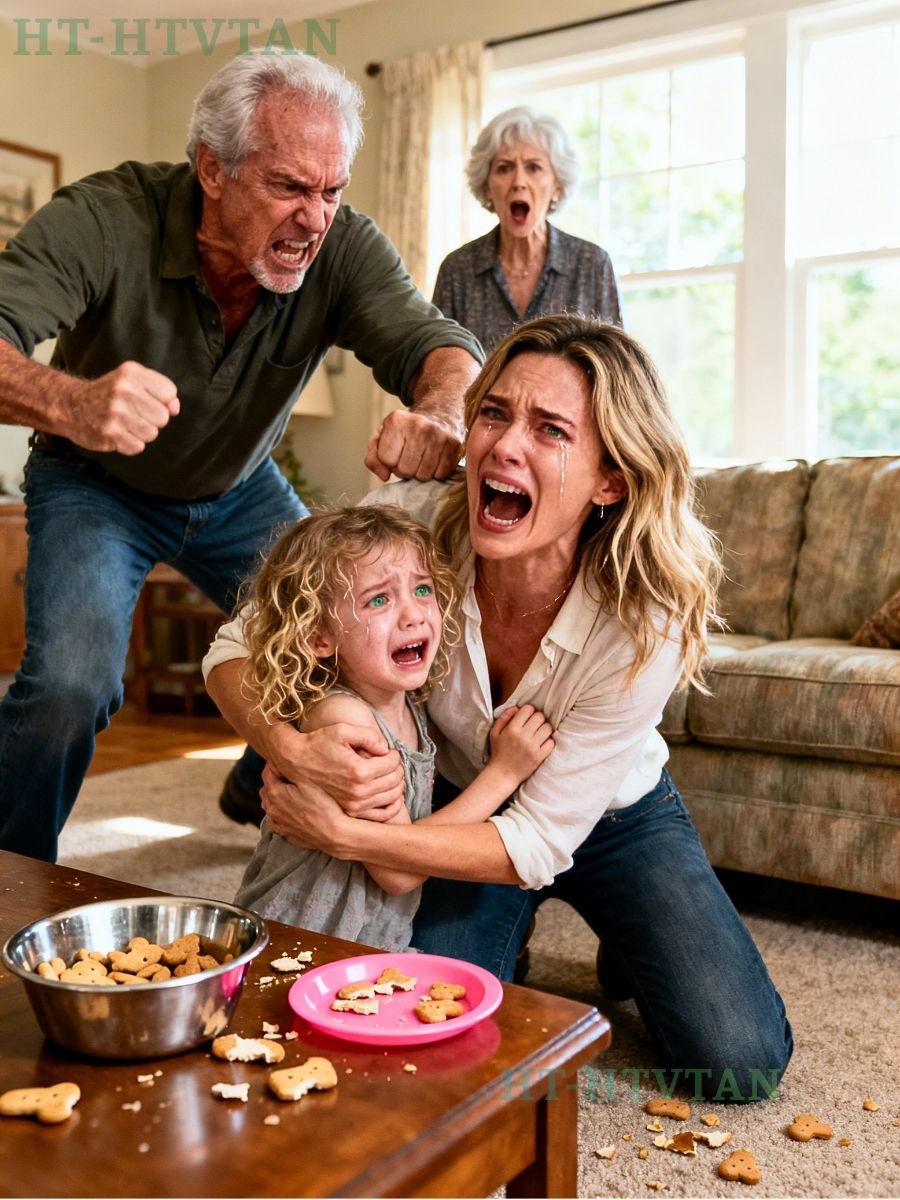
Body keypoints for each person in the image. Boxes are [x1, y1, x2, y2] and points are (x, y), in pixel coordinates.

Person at [205, 314, 793, 1100]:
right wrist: (290, 749)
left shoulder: (644, 618)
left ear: (610, 479)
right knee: (428, 1026)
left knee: (740, 1060)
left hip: (613, 818)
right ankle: (509, 940)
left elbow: (541, 837)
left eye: (549, 429)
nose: (504, 446)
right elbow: (234, 647)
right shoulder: (412, 515)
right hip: (456, 804)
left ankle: (627, 934)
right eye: (494, 413)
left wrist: (346, 833)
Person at [0, 50, 483, 863]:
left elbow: (441, 346)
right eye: (290, 188)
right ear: (211, 169)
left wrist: (439, 413)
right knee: (71, 686)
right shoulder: (107, 215)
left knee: (347, 637)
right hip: (94, 483)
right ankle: (9, 879)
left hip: (239, 487)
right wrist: (73, 403)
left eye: (331, 191)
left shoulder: (342, 248)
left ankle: (248, 778)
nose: (315, 217)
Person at [233, 503, 553, 950]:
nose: (413, 615)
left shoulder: (410, 705)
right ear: (317, 637)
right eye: (379, 599)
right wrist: (505, 773)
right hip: (300, 940)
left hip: (367, 940)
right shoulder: (347, 723)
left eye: (422, 590)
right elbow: (399, 870)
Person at [432, 106, 622, 352]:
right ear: (487, 186)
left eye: (534, 167)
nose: (519, 182)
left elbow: (616, 371)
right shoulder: (457, 270)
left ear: (556, 185)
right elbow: (439, 366)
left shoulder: (592, 265)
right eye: (504, 168)